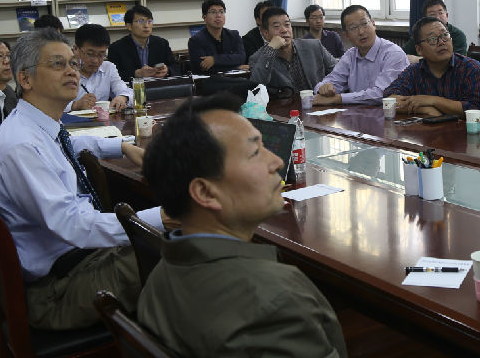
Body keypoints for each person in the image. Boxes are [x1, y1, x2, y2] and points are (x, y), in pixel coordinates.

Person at [0, 28, 166, 330]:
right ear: (25, 79)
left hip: (74, 260)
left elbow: (69, 143)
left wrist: (121, 146)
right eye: (57, 64)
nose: (71, 72)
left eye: (72, 63)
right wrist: (163, 218)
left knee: (172, 245)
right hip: (56, 290)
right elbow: (74, 226)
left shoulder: (34, 126)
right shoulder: (21, 146)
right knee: (180, 256)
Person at [137, 94, 348, 357]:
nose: (277, 162)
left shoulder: (158, 278)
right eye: (255, 153)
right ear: (206, 192)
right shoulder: (273, 300)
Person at [384, 17, 480, 121]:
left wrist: (433, 101)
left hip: (471, 131)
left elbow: (477, 109)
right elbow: (389, 100)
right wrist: (425, 109)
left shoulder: (471, 69)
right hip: (431, 131)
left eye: (445, 35)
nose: (441, 42)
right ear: (419, 49)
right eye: (432, 39)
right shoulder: (414, 71)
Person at [313, 4, 408, 105]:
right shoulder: (350, 55)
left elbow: (383, 94)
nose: (361, 32)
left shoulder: (393, 54)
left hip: (390, 112)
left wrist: (339, 98)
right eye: (353, 28)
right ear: (346, 35)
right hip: (357, 112)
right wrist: (323, 88)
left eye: (364, 24)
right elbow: (331, 80)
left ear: (373, 24)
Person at [248, 7, 337, 92]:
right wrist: (270, 50)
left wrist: (327, 85)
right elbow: (256, 87)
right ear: (266, 33)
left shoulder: (314, 46)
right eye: (277, 26)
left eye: (287, 25)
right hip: (285, 103)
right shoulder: (257, 58)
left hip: (318, 100)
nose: (284, 30)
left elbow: (339, 71)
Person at [66, 23, 132, 112]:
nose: (95, 61)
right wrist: (75, 105)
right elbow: (49, 103)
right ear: (75, 49)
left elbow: (125, 90)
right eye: (90, 54)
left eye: (101, 55)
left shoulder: (108, 68)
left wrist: (123, 97)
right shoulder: (64, 71)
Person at [107, 5, 179, 82]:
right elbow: (111, 76)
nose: (146, 26)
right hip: (130, 88)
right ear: (129, 26)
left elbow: (176, 68)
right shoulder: (116, 48)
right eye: (140, 21)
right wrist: (136, 73)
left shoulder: (162, 44)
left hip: (158, 86)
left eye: (149, 21)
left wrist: (167, 70)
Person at [188, 0, 246, 74]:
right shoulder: (196, 41)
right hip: (210, 80)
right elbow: (203, 68)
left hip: (235, 78)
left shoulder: (234, 35)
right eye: (213, 12)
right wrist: (236, 68)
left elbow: (241, 58)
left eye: (221, 12)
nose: (218, 15)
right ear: (204, 17)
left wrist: (214, 60)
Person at [401, 0, 468, 61]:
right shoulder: (421, 33)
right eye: (432, 14)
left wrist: (420, 60)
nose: (437, 18)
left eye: (440, 13)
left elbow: (457, 61)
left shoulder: (458, 35)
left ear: (447, 15)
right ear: (426, 19)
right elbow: (402, 54)